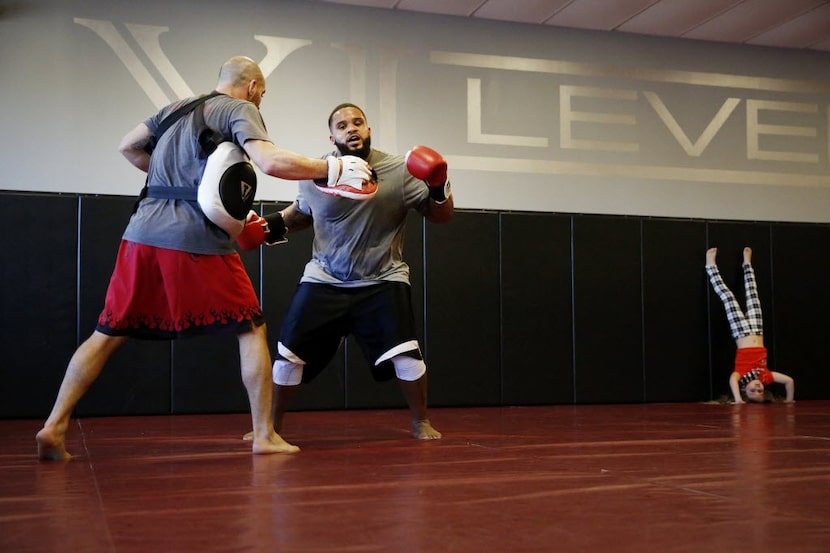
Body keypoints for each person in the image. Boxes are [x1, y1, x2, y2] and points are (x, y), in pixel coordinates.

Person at [35, 56, 374, 460]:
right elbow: (267, 161)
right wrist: (331, 168)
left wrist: (182, 184)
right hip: (194, 237)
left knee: (107, 332)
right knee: (250, 329)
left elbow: (128, 146)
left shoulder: (175, 108)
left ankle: (53, 427)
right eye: (262, 95)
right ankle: (264, 435)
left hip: (139, 234)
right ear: (251, 88)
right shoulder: (238, 108)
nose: (260, 102)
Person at [239, 103, 453, 441]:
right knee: (287, 359)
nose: (351, 128)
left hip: (383, 279)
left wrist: (439, 184)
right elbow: (302, 214)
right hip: (324, 279)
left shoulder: (399, 170)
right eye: (342, 125)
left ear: (368, 130)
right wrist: (266, 228)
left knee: (406, 357)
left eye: (358, 123)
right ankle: (271, 428)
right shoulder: (315, 173)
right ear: (332, 136)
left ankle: (420, 421)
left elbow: (439, 216)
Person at [705, 247, 794, 404]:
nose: (758, 387)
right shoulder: (766, 376)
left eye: (753, 391)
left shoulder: (740, 375)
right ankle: (747, 264)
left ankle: (711, 267)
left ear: (744, 388)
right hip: (757, 330)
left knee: (728, 298)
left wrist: (739, 400)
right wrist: (789, 400)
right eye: (760, 391)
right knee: (753, 295)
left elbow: (733, 380)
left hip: (741, 333)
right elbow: (789, 381)